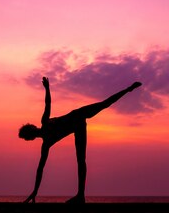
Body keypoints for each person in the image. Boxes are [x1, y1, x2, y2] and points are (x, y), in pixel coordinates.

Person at [19, 76, 142, 204]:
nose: (33, 129)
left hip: (78, 115)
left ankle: (128, 89)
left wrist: (47, 88)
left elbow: (48, 103)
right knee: (81, 160)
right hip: (79, 126)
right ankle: (81, 196)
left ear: (31, 135)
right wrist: (35, 192)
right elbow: (40, 169)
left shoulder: (45, 128)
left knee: (104, 104)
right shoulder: (46, 142)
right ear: (31, 135)